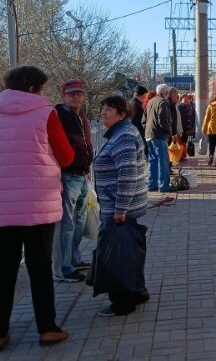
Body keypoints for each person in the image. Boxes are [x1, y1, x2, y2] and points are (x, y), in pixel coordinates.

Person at [0, 65, 72, 352]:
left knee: (4, 267)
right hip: (37, 202)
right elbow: (66, 156)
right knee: (39, 265)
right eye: (42, 87)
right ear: (33, 88)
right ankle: (47, 328)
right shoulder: (46, 113)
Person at [92, 96, 149, 317]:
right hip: (121, 206)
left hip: (120, 209)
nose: (103, 113)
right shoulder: (122, 133)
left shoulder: (123, 136)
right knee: (130, 254)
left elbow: (128, 175)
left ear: (122, 114)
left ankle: (123, 302)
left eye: (109, 110)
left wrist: (120, 210)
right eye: (103, 109)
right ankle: (138, 291)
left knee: (118, 257)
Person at [53, 79, 95, 283]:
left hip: (81, 173)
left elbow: (85, 143)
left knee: (79, 220)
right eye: (71, 94)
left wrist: (87, 167)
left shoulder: (81, 116)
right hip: (67, 174)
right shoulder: (59, 115)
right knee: (67, 223)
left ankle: (74, 258)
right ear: (63, 96)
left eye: (79, 94)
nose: (75, 97)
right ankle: (64, 267)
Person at [142, 84, 174, 192]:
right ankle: (164, 185)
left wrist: (147, 129)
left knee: (153, 161)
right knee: (163, 161)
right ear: (166, 93)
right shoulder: (163, 102)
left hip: (149, 135)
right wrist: (169, 133)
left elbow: (144, 119)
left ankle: (152, 184)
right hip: (159, 136)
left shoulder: (150, 101)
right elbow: (163, 120)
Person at [130, 85, 148, 157]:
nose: (145, 97)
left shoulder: (132, 103)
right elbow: (135, 121)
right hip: (137, 134)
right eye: (145, 95)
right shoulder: (135, 105)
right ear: (141, 94)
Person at [177, 94, 196, 161]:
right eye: (184, 99)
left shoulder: (190, 107)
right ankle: (180, 156)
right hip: (181, 127)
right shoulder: (179, 107)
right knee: (181, 142)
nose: (186, 100)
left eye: (187, 99)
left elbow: (193, 117)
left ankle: (183, 156)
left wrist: (193, 126)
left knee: (184, 142)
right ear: (181, 99)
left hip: (188, 127)